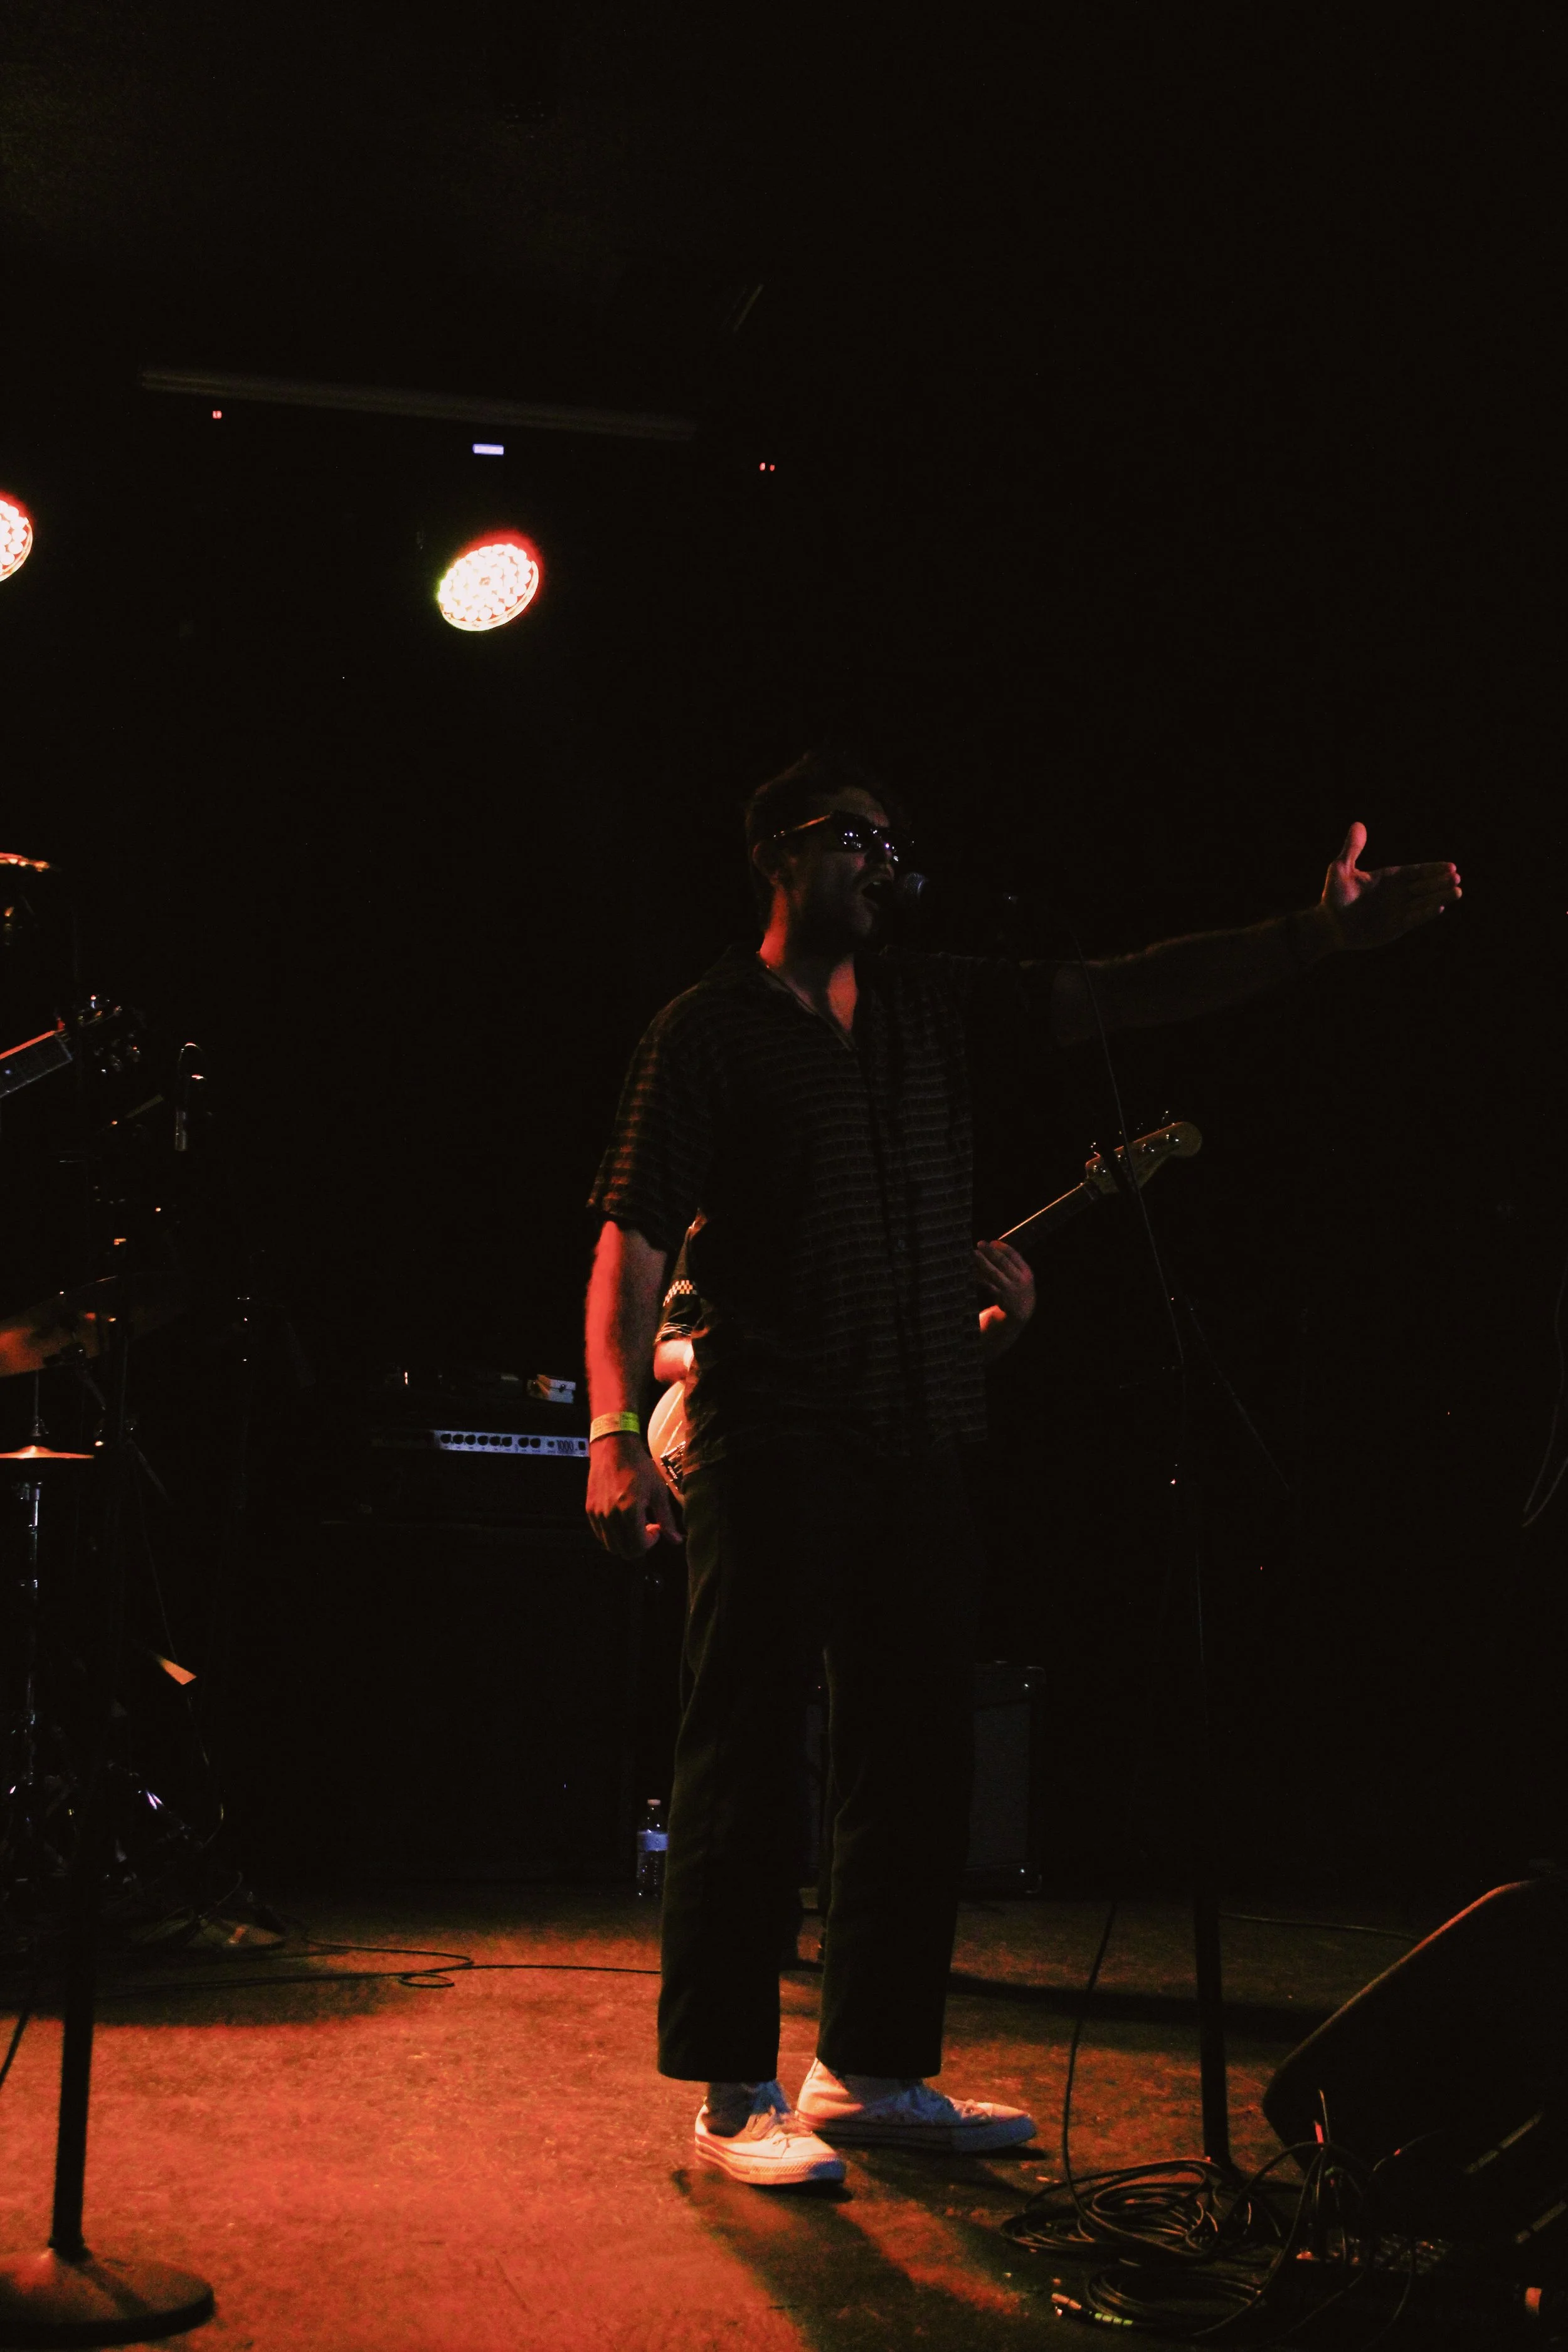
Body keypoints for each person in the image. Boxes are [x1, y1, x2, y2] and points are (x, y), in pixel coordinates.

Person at [584, 748, 1459, 2190]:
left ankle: (864, 2069)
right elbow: (628, 1240)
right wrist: (615, 1432)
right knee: (742, 1764)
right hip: (772, 1432)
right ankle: (734, 2091)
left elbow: (1125, 984)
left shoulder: (933, 1005)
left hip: (922, 1430)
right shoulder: (708, 1033)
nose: (887, 861)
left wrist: (1317, 937)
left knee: (914, 1757)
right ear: (784, 854)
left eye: (893, 841)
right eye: (860, 840)